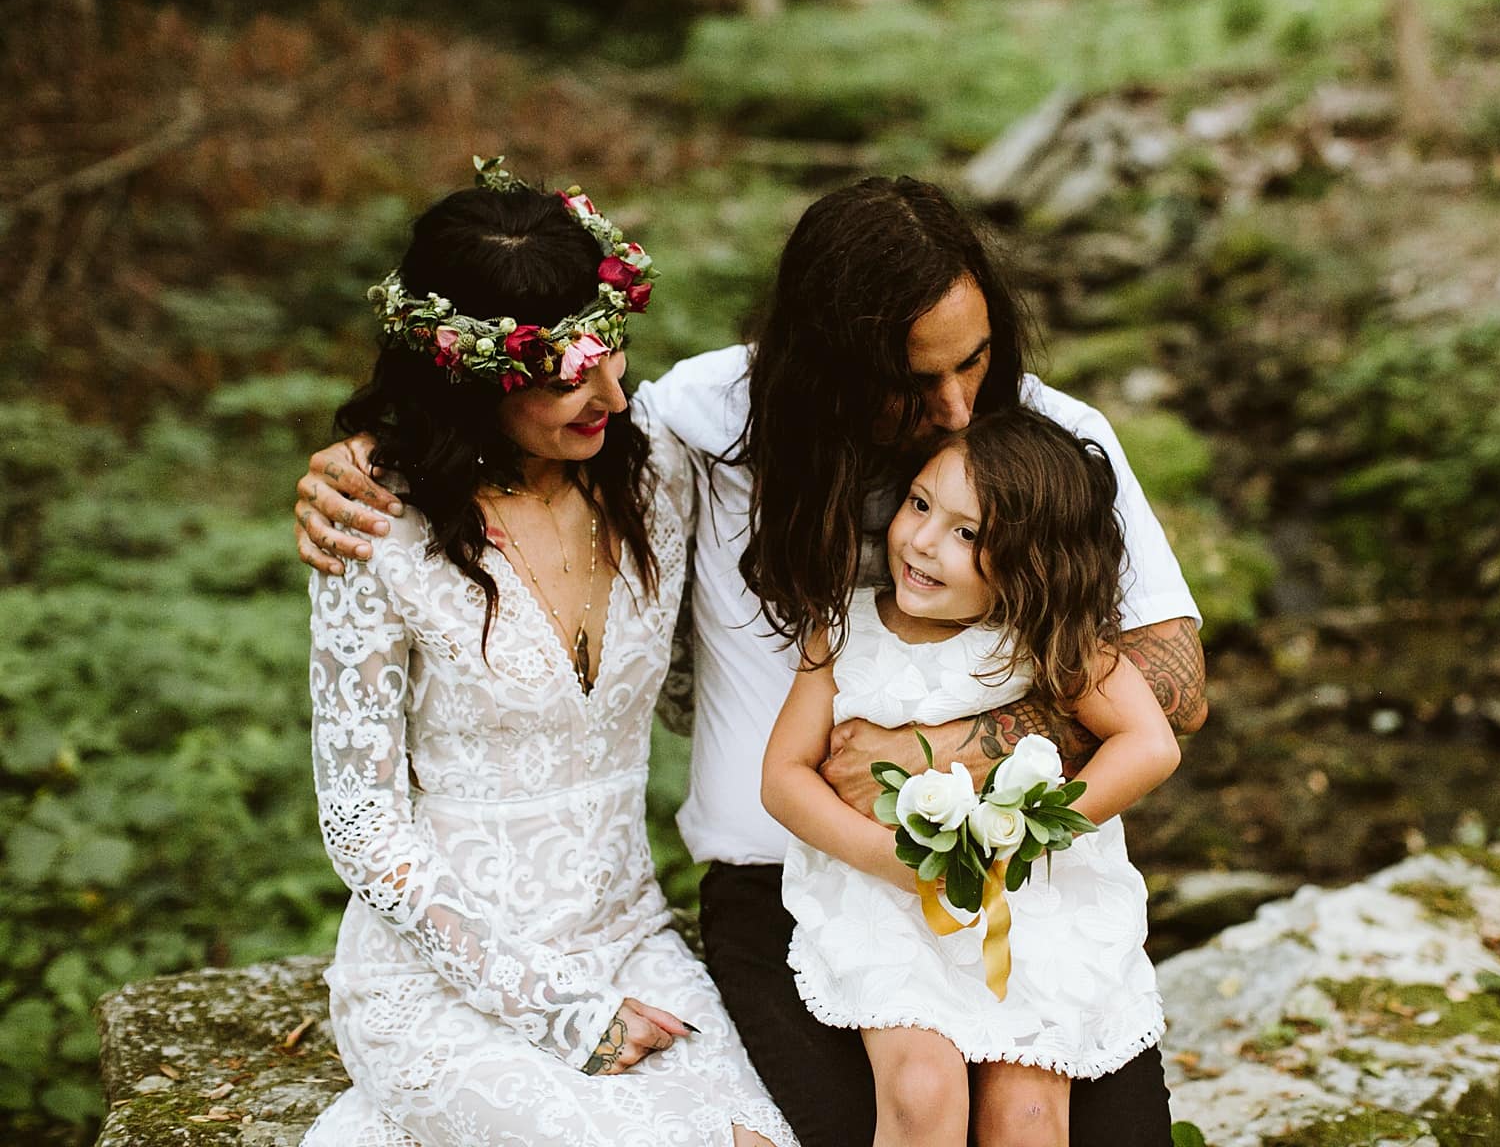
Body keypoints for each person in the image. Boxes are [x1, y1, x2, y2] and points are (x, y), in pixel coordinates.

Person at [294, 175, 1208, 1146]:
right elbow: (501, 437)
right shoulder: (699, 426)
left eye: (973, 361)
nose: (954, 407)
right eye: (909, 381)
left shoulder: (1054, 444)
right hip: (781, 888)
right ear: (826, 363)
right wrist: (362, 462)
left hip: (1008, 881)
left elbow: (1176, 682)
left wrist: (960, 752)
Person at [299, 160, 795, 1147]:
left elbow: (706, 688)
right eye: (565, 367)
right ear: (468, 371)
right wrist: (553, 1010)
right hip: (447, 977)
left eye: (612, 347)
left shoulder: (660, 474)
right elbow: (360, 825)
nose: (610, 388)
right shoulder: (374, 530)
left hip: (629, 941)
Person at [763, 408, 1181, 1147]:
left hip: (1030, 902)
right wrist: (886, 860)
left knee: (1027, 1119)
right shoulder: (846, 626)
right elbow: (784, 777)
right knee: (922, 1094)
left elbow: (1150, 745)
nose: (923, 541)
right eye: (921, 504)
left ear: (1030, 561)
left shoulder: (1044, 638)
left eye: (967, 533)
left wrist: (1027, 832)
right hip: (888, 898)